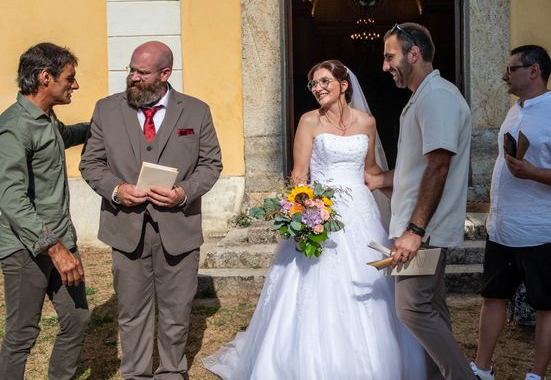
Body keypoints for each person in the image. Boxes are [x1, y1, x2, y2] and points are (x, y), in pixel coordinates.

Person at [203, 59, 427, 379]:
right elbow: (299, 175)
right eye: (313, 84)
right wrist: (304, 214)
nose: (318, 89)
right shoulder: (309, 121)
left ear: (343, 86)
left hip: (361, 214)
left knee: (368, 285)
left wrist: (409, 184)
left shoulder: (367, 122)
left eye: (324, 82)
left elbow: (372, 173)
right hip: (319, 211)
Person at [79, 41, 222, 379]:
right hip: (126, 229)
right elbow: (91, 163)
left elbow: (211, 164)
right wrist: (116, 190)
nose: (132, 77)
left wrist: (183, 193)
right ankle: (136, 374)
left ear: (165, 74)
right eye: (131, 70)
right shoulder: (106, 109)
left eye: (141, 73)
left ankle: (172, 371)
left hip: (179, 227)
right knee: (132, 312)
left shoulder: (197, 111)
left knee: (176, 309)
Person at [471, 45, 551, 380]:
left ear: (534, 71)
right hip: (504, 228)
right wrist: (493, 215)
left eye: (511, 69)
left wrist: (533, 173)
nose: (504, 75)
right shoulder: (516, 111)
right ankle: (482, 368)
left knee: (546, 304)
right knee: (493, 296)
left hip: (541, 230)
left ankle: (536, 375)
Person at [366, 23, 475, 380]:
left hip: (424, 230)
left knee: (412, 309)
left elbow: (439, 164)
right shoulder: (422, 97)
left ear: (415, 54)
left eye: (390, 56)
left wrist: (414, 230)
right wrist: (380, 180)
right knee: (431, 310)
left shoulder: (437, 97)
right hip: (419, 226)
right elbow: (417, 169)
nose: (385, 66)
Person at [0, 43, 90, 379]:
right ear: (45, 77)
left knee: (77, 319)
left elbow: (64, 136)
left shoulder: (46, 119)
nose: (75, 85)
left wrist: (106, 123)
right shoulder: (13, 128)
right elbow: (10, 197)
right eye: (70, 78)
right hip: (28, 249)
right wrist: (53, 248)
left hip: (61, 241)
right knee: (22, 334)